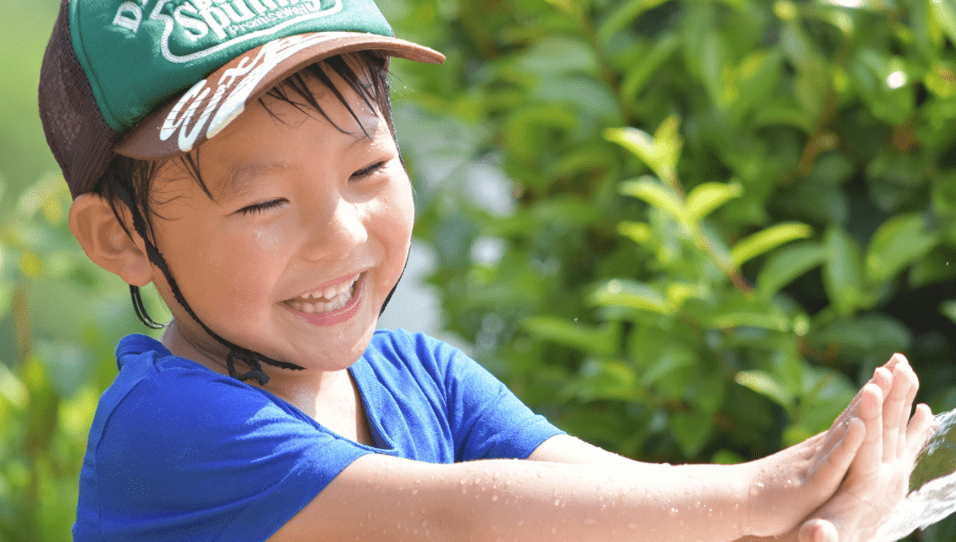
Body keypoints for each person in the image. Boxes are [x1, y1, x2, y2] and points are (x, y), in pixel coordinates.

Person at [38, 1, 934, 540]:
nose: (339, 233)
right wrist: (770, 489)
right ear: (120, 236)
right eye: (263, 203)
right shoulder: (167, 430)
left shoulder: (426, 380)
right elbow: (458, 520)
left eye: (368, 169)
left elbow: (626, 511)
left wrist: (827, 516)